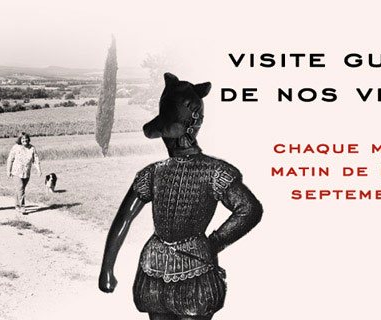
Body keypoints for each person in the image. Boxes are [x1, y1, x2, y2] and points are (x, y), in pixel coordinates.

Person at [99, 73, 262, 320]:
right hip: (183, 266)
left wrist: (107, 269)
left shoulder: (157, 173)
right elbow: (249, 210)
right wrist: (214, 243)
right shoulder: (212, 171)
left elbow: (250, 210)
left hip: (159, 267)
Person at [6, 132, 42, 214]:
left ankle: (17, 205)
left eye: (26, 138)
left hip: (26, 172)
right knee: (20, 187)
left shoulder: (32, 148)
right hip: (16, 172)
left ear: (28, 139)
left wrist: (39, 170)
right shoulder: (16, 147)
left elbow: (35, 160)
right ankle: (22, 206)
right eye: (22, 139)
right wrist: (8, 171)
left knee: (20, 189)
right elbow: (10, 159)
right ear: (20, 140)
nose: (24, 140)